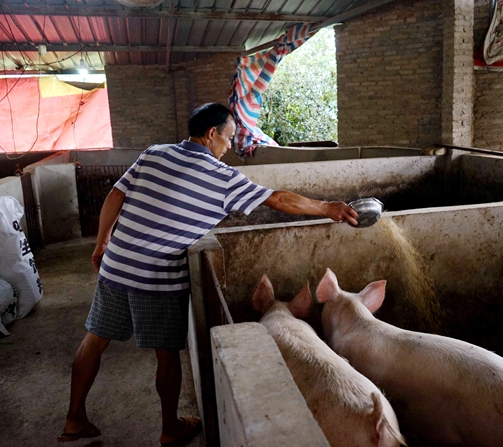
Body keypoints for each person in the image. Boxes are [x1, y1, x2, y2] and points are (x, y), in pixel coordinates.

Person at [59, 102, 358, 446]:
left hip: (116, 265)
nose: (229, 147)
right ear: (212, 133)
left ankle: (74, 419)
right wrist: (325, 207)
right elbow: (277, 199)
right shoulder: (222, 178)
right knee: (167, 356)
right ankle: (170, 429)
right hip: (158, 277)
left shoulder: (155, 153)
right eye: (228, 138)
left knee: (93, 341)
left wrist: (101, 243)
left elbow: (115, 195)